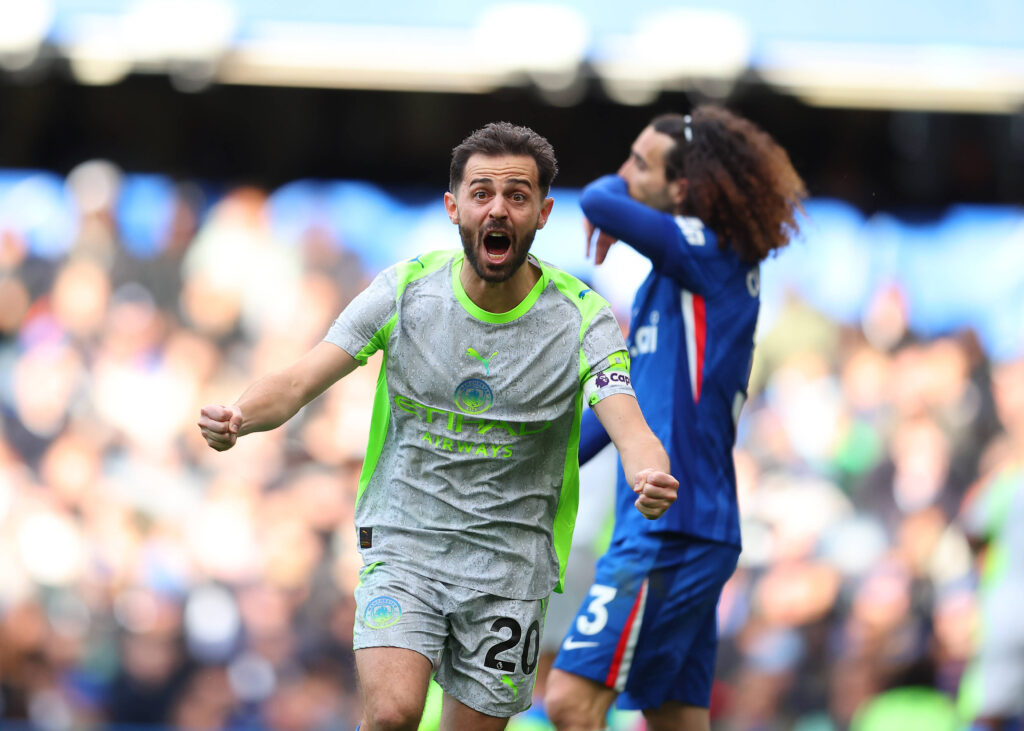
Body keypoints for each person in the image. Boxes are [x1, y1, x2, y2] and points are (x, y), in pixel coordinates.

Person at [197, 121, 680, 731]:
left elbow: (628, 423)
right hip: (406, 546)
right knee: (395, 713)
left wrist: (649, 473)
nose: (498, 209)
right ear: (454, 207)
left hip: (511, 569)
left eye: (517, 195)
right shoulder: (404, 291)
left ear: (543, 212)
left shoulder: (583, 319)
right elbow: (297, 382)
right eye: (481, 193)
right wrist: (240, 415)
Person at [544, 105, 807, 731]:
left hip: (671, 527)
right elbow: (622, 409)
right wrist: (538, 466)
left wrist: (607, 205)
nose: (623, 173)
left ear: (683, 189)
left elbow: (602, 200)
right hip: (683, 527)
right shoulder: (672, 281)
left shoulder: (710, 253)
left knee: (569, 702)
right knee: (675, 719)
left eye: (641, 163)